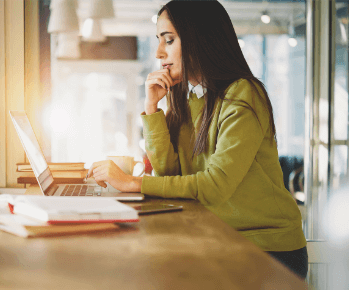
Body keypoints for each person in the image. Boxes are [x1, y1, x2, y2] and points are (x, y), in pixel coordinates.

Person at [87, 0, 308, 279]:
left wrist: (133, 183)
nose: (158, 53)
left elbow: (215, 185)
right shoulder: (189, 97)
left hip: (267, 248)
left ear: (199, 39)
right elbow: (170, 173)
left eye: (169, 40)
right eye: (159, 41)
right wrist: (152, 108)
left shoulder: (242, 93)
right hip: (220, 236)